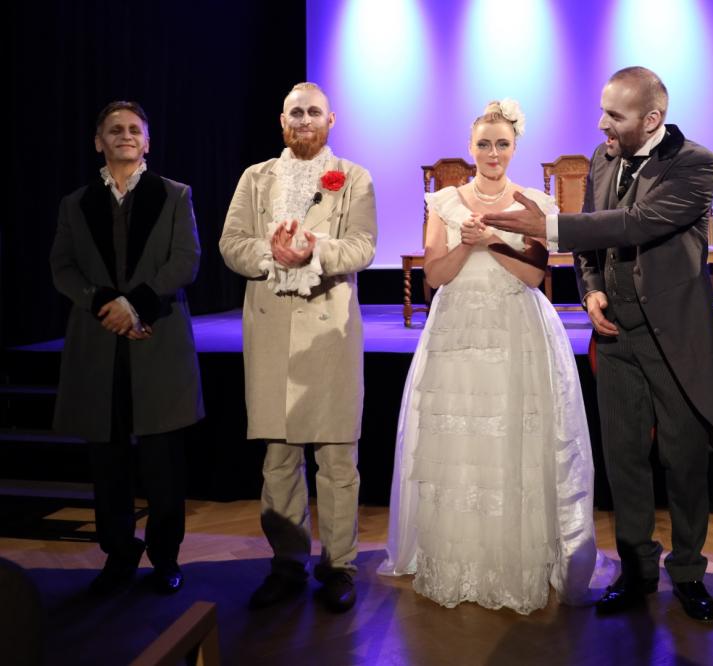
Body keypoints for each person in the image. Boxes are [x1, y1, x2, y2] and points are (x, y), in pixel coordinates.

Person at [484, 68, 713, 621]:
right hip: (617, 336)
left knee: (683, 460)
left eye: (615, 115)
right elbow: (592, 240)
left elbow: (635, 223)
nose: (602, 123)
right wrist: (592, 290)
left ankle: (689, 572)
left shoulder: (696, 164)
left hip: (675, 341)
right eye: (602, 110)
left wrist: (549, 228)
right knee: (624, 458)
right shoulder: (603, 160)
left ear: (651, 119)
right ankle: (637, 569)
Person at [378, 100, 601, 615]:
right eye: (484, 143)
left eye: (502, 144)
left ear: (515, 147)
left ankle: (514, 555)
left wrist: (494, 239)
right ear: (470, 147)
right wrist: (468, 244)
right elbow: (436, 276)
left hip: (514, 329)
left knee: (511, 436)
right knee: (460, 440)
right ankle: (460, 556)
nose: (493, 152)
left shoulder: (533, 202)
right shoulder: (445, 202)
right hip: (457, 331)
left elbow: (532, 275)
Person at [219, 82, 377, 613]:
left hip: (329, 332)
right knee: (279, 460)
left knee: (337, 461)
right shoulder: (255, 177)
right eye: (295, 113)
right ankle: (287, 563)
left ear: (331, 120)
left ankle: (339, 566)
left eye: (313, 112)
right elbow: (231, 243)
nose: (304, 120)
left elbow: (363, 246)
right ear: (282, 121)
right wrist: (272, 253)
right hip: (271, 330)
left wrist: (312, 251)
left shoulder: (354, 177)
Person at [50, 100, 203, 596]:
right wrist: (105, 305)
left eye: (134, 129)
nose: (125, 135)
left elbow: (186, 261)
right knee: (108, 464)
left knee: (163, 466)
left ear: (147, 141)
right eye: (114, 129)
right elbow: (63, 268)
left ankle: (165, 558)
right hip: (99, 344)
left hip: (157, 340)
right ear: (99, 142)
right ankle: (118, 555)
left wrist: (134, 305)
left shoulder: (175, 195)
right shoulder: (75, 204)